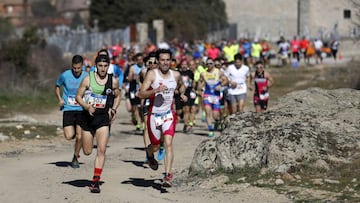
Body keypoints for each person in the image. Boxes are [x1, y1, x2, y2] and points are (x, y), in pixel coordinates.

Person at [138, 49, 187, 188]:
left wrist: (182, 94)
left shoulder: (176, 74)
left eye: (167, 60)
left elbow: (182, 86)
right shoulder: (152, 74)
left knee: (168, 143)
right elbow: (140, 94)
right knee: (154, 146)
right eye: (162, 60)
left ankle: (167, 175)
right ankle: (150, 156)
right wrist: (154, 91)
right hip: (154, 115)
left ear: (171, 61)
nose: (165, 63)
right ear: (158, 61)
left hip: (168, 115)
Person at [75, 54, 121, 193]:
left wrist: (113, 109)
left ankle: (95, 181)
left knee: (102, 150)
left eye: (105, 66)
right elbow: (78, 96)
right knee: (88, 151)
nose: (103, 69)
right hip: (88, 118)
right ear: (96, 66)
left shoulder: (113, 81)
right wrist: (87, 106)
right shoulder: (88, 79)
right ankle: (82, 147)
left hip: (102, 119)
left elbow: (118, 95)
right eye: (100, 66)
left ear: (108, 66)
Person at [55, 55, 88, 168]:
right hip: (68, 108)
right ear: (72, 66)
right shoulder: (65, 75)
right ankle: (73, 131)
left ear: (82, 66)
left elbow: (91, 90)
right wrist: (60, 99)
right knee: (69, 136)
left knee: (79, 136)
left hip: (81, 109)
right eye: (74, 68)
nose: (76, 70)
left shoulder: (86, 76)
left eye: (78, 68)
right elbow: (57, 86)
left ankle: (75, 157)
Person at [139, 52, 165, 161]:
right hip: (148, 102)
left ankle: (162, 145)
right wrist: (142, 100)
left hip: (161, 103)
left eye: (155, 62)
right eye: (150, 62)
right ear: (147, 63)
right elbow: (141, 88)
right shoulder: (143, 72)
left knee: (161, 127)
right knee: (146, 127)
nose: (153, 64)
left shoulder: (163, 73)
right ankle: (147, 151)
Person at [200, 58, 228, 137]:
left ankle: (217, 122)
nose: (209, 65)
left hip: (216, 96)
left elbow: (226, 80)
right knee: (208, 112)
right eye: (207, 64)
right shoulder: (203, 73)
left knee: (215, 115)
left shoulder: (219, 72)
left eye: (211, 63)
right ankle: (210, 130)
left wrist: (221, 85)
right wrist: (200, 89)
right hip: (207, 95)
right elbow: (200, 82)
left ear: (213, 64)